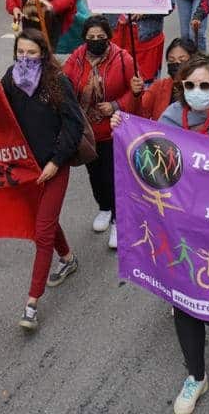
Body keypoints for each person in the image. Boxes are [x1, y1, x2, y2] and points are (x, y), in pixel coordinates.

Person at [111, 55, 209, 414]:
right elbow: (145, 158)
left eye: (204, 85)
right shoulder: (167, 119)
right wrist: (121, 123)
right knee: (185, 303)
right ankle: (196, 375)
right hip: (178, 232)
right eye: (189, 85)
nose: (195, 92)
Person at [1, 28, 85, 330]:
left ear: (43, 54)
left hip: (53, 167)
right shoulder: (10, 79)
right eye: (20, 52)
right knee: (45, 221)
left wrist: (55, 162)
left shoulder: (57, 82)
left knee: (42, 232)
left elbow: (74, 126)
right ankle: (67, 258)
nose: (25, 58)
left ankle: (32, 304)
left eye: (31, 53)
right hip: (27, 168)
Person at [62, 15, 141, 249]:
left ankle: (119, 219)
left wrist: (117, 104)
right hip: (87, 132)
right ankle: (104, 208)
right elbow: (64, 84)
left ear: (109, 37)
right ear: (84, 39)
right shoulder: (76, 59)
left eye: (100, 37)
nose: (95, 41)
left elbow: (135, 91)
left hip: (114, 130)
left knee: (114, 176)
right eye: (91, 38)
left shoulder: (124, 58)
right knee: (95, 174)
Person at [138, 38, 199, 120]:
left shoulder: (202, 89)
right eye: (171, 60)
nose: (176, 64)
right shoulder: (159, 87)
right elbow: (139, 114)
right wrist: (136, 94)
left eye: (182, 60)